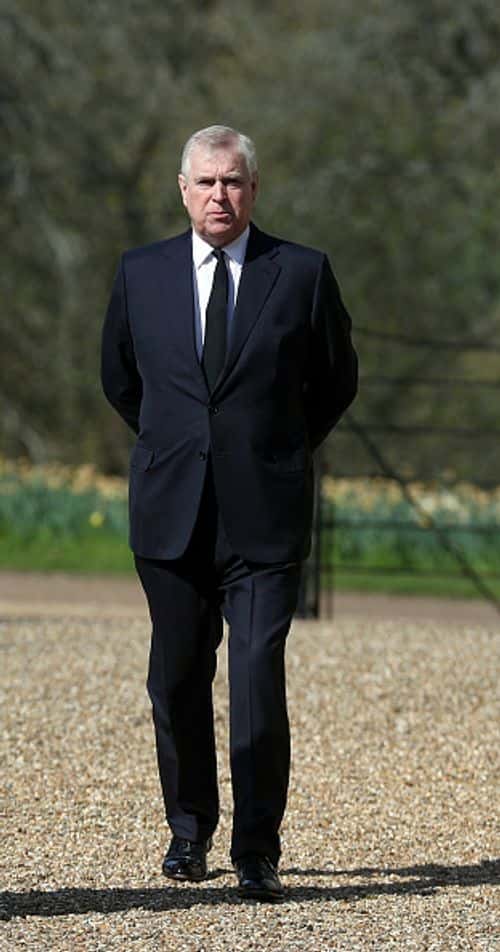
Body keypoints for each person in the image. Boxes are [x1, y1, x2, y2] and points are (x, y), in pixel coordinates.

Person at [101, 125, 358, 901]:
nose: (221, 196)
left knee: (255, 678)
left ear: (254, 188)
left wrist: (278, 449)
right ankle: (189, 831)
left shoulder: (303, 273)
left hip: (265, 517)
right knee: (175, 679)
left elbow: (335, 381)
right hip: (171, 512)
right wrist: (178, 447)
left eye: (234, 182)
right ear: (182, 189)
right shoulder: (139, 273)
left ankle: (257, 849)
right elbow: (121, 380)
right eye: (207, 182)